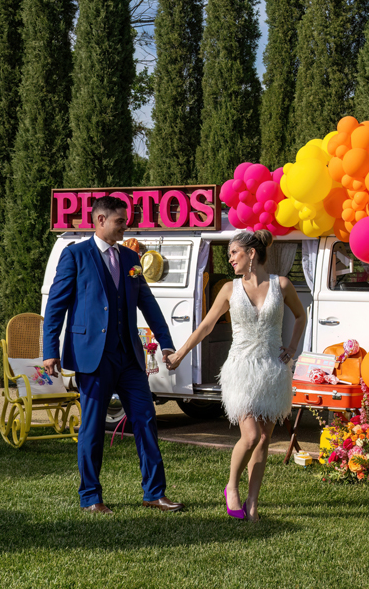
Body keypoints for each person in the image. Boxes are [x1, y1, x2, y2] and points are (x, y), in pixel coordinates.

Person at [42, 195, 182, 515]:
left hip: (129, 356)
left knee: (146, 420)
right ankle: (91, 497)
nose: (125, 227)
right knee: (92, 428)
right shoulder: (75, 255)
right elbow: (55, 307)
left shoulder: (131, 258)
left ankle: (154, 493)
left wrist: (166, 343)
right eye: (120, 221)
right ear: (101, 220)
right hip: (93, 357)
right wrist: (50, 350)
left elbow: (148, 304)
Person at [167, 230, 306, 522]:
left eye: (233, 253)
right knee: (251, 435)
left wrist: (292, 348)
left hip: (272, 370)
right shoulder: (230, 289)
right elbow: (206, 326)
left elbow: (301, 316)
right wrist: (180, 354)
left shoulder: (281, 284)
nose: (230, 259)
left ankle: (253, 502)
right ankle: (232, 486)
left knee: (265, 438)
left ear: (251, 253)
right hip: (241, 370)